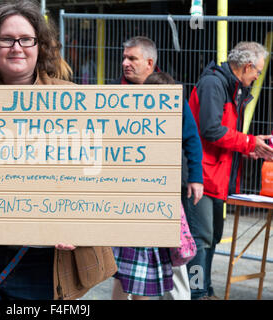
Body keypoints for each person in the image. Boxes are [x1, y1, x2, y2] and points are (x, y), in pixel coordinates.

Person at [0, 0, 117, 300]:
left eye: (26, 39)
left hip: (44, 262)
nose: (16, 47)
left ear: (39, 46)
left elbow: (98, 175)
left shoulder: (73, 101)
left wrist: (81, 225)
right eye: (6, 39)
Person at [111, 36, 203, 300]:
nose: (125, 63)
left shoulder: (170, 95)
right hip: (127, 193)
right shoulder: (116, 94)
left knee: (169, 252)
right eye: (124, 57)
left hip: (161, 191)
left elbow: (192, 138)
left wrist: (196, 177)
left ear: (150, 63)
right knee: (128, 261)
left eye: (132, 58)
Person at [187, 41, 272, 300]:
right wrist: (247, 142)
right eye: (257, 71)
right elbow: (211, 130)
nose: (258, 76)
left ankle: (204, 290)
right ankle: (197, 292)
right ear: (247, 66)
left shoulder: (230, 87)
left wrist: (249, 146)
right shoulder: (215, 84)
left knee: (210, 239)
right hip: (201, 175)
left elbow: (222, 132)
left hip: (216, 176)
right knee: (201, 239)